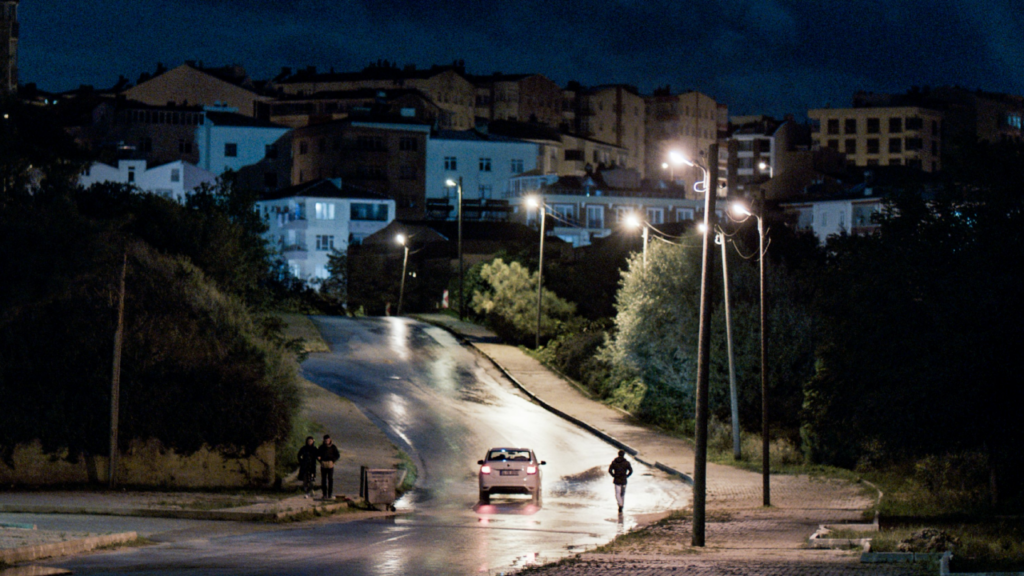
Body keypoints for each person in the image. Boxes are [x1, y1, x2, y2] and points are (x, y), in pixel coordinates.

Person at [318, 434, 341, 500]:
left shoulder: (333, 447)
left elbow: (337, 455)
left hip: (330, 465)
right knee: (323, 480)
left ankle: (330, 494)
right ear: (324, 441)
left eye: (328, 440)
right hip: (323, 465)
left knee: (330, 479)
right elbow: (318, 455)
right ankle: (324, 494)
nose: (327, 441)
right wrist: (321, 461)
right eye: (325, 440)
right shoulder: (321, 447)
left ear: (330, 440)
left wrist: (333, 460)